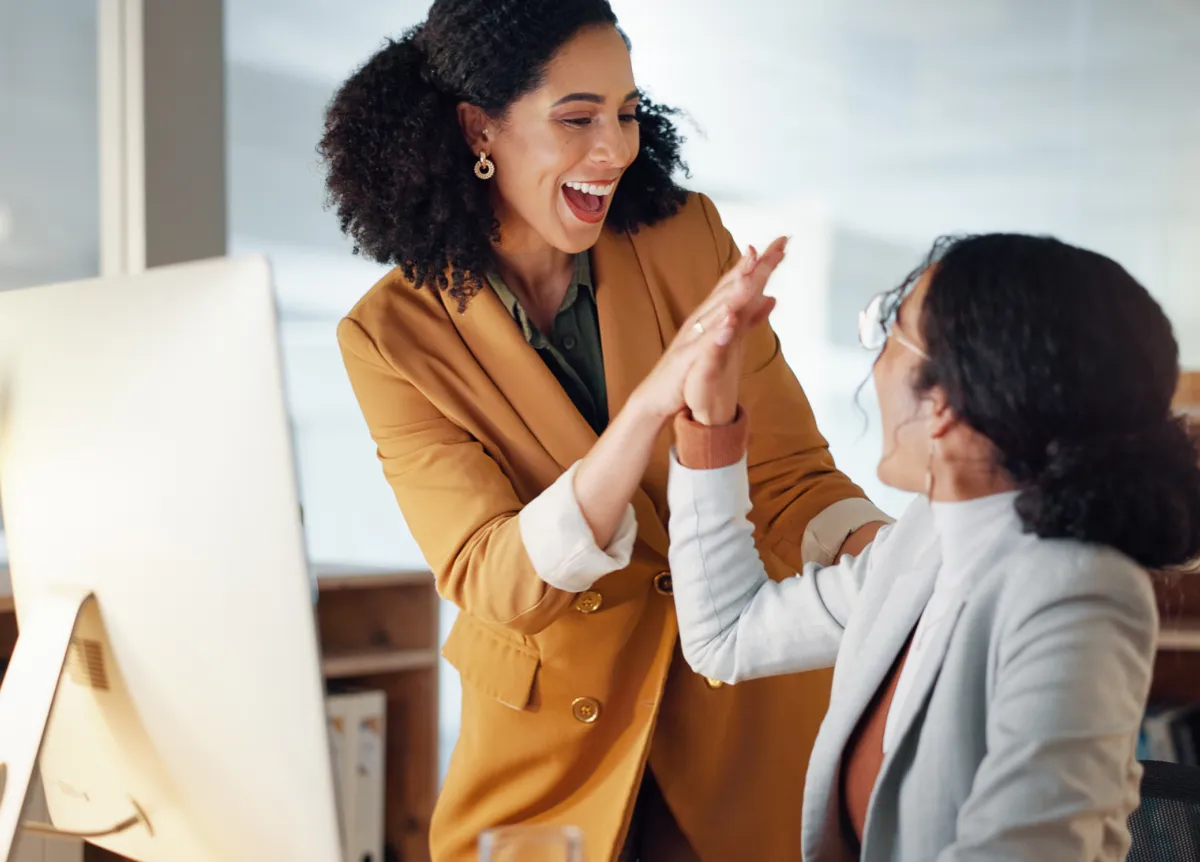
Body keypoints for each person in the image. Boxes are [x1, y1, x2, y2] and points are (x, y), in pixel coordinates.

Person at [318, 1, 888, 859]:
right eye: (577, 118)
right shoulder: (393, 337)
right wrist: (649, 410)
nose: (615, 149)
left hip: (739, 727)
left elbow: (789, 477)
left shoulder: (681, 235)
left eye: (625, 114)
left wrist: (901, 566)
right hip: (549, 756)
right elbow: (490, 574)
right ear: (481, 129)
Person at [662, 233, 1200, 861]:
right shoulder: (930, 538)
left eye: (891, 331)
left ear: (942, 402)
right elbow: (728, 635)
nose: (875, 365)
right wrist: (711, 425)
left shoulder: (1078, 594)